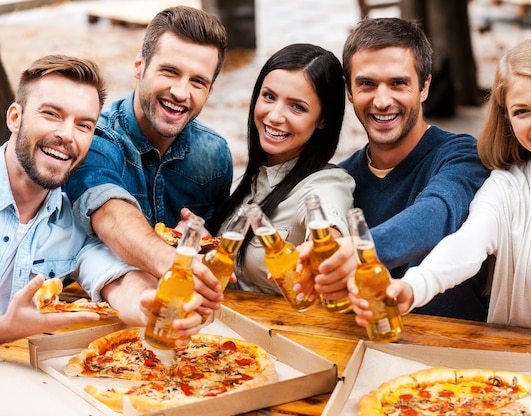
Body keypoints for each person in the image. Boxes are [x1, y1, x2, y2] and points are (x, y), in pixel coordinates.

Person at [349, 38, 531, 342]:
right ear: (507, 120)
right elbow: (466, 245)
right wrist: (413, 287)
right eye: (522, 111)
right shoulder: (506, 189)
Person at [0, 54, 202, 344]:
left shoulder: (73, 220)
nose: (66, 135)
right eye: (52, 114)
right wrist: (5, 330)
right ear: (15, 117)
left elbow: (118, 279)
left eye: (83, 125)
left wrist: (151, 305)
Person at [305, 17, 491, 321]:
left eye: (398, 83)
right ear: (349, 91)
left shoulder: (461, 155)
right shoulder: (340, 181)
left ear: (424, 87)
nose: (381, 101)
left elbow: (438, 212)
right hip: (366, 345)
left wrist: (361, 249)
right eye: (366, 84)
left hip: (459, 351)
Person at [64, 6, 233, 316]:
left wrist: (202, 247)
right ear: (139, 66)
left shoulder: (216, 156)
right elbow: (111, 217)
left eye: (197, 82)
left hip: (181, 319)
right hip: (92, 317)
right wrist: (175, 262)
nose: (181, 92)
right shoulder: (93, 137)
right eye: (169, 71)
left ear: (210, 90)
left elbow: (211, 247)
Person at [211, 43, 354, 295]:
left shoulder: (325, 184)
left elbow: (327, 225)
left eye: (297, 107)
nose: (275, 116)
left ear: (323, 119)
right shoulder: (250, 183)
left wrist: (323, 252)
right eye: (269, 96)